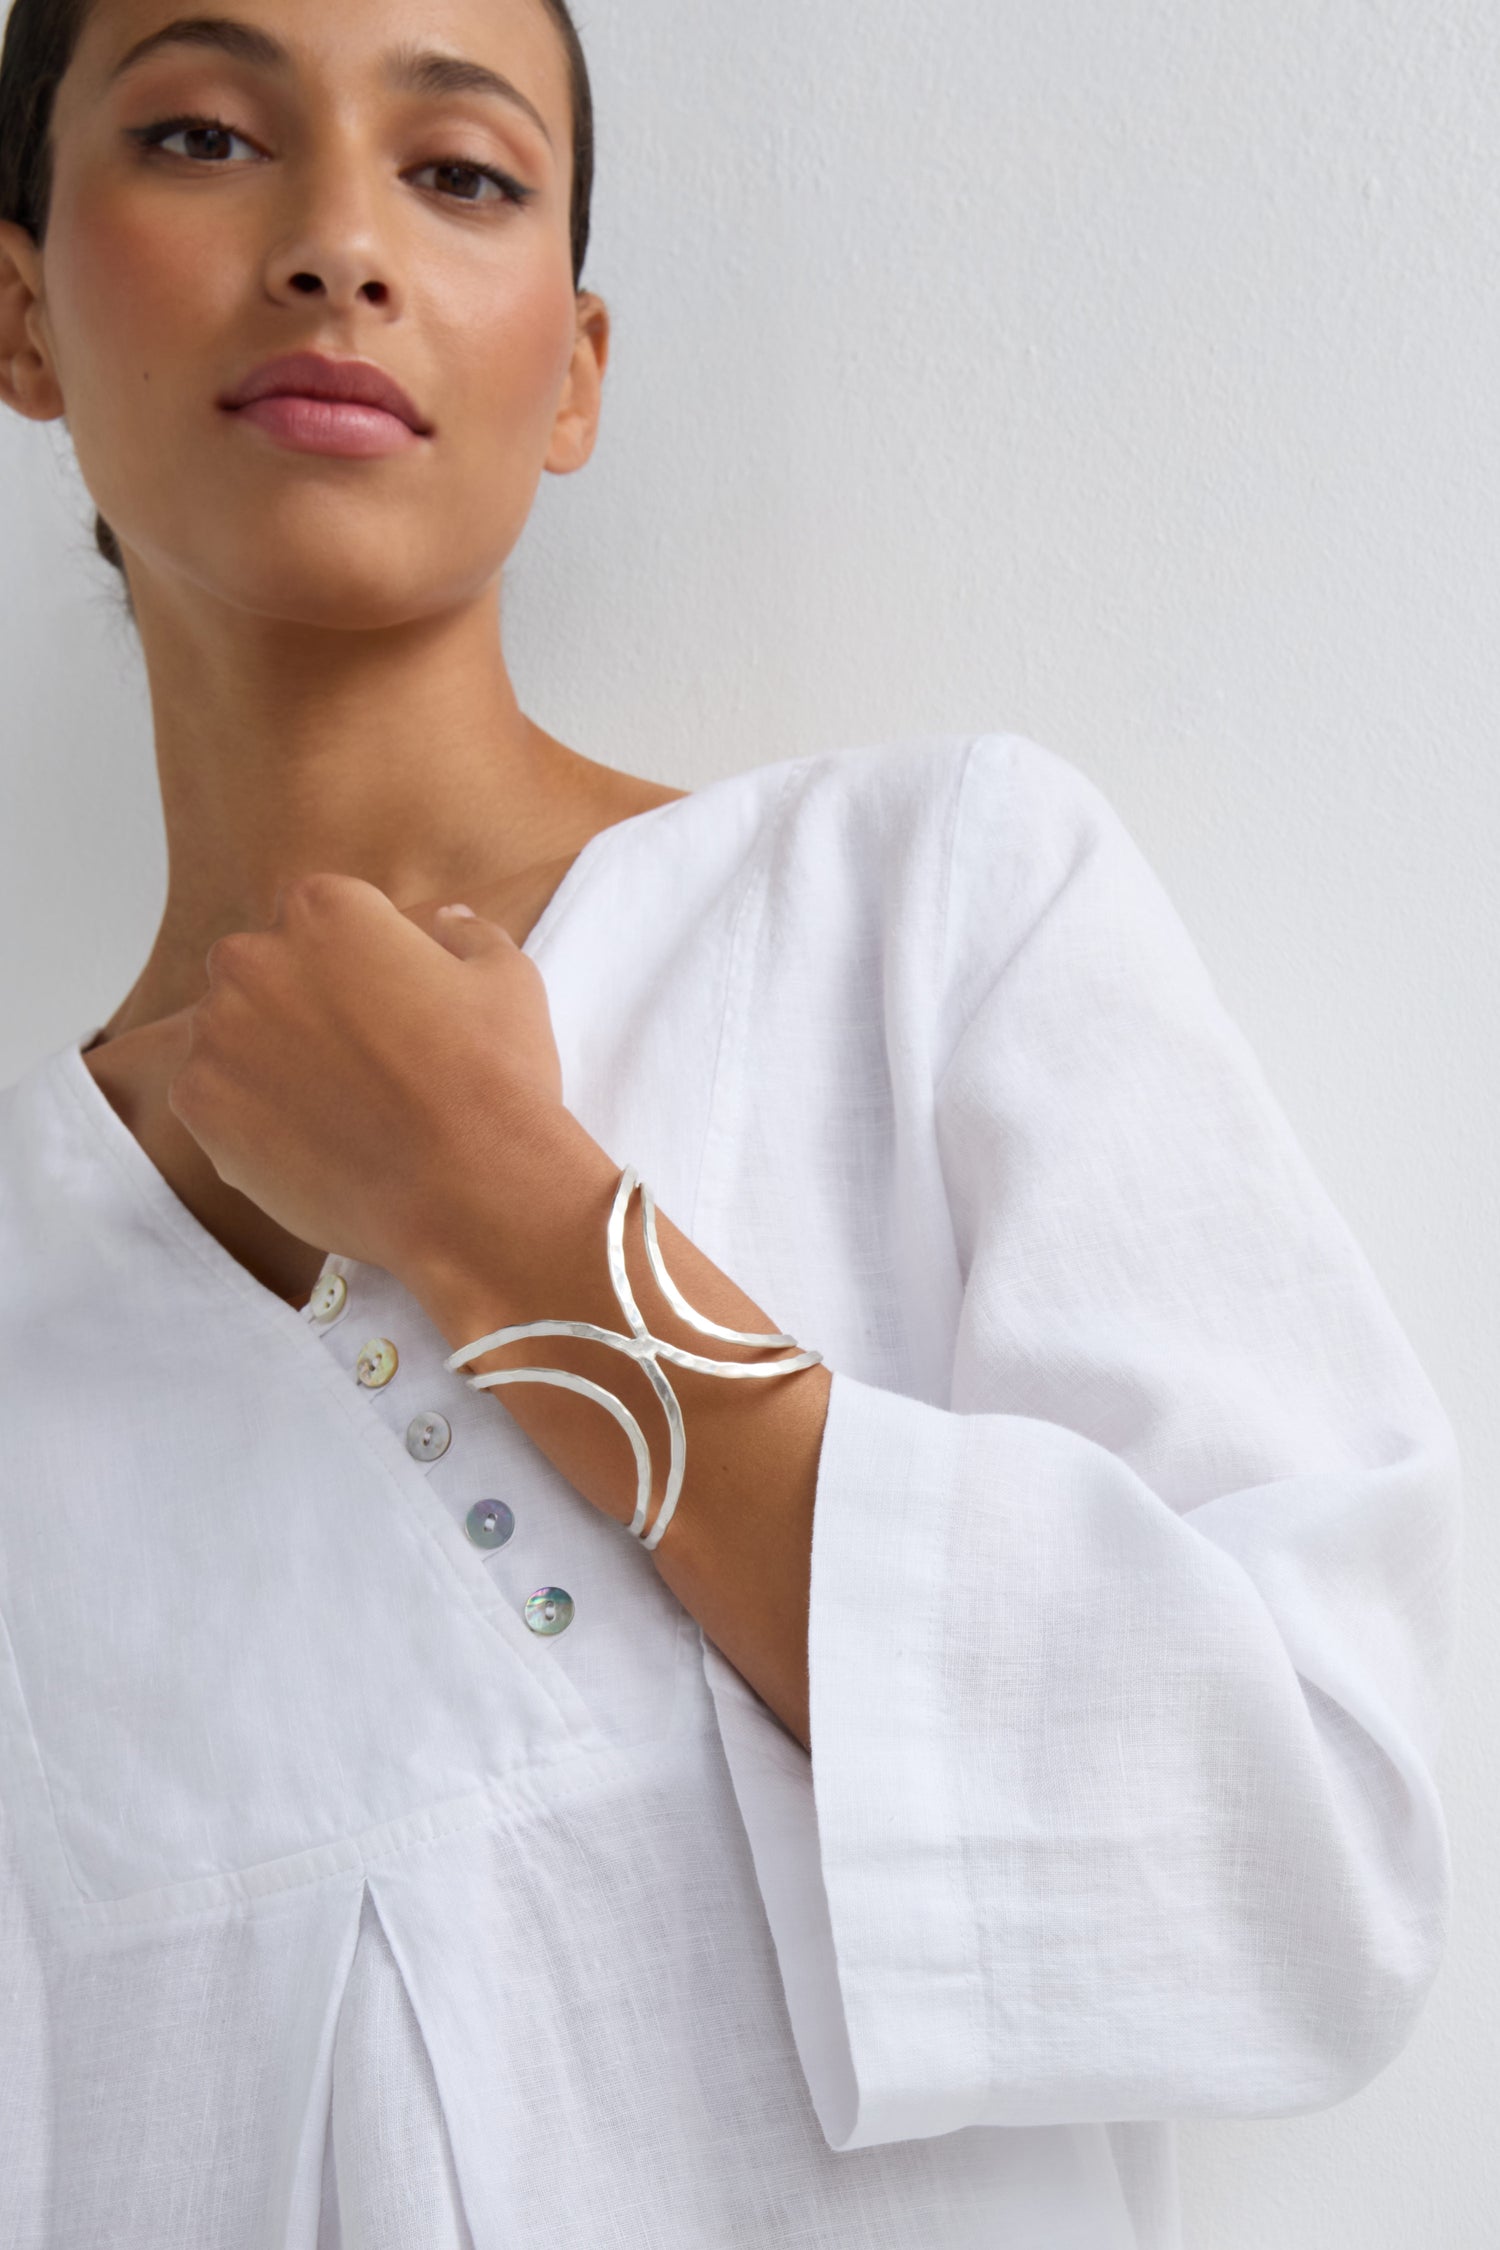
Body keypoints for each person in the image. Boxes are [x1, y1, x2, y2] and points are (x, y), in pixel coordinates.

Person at [0, 1, 1462, 2245]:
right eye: (205, 133)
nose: (337, 245)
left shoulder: (927, 918)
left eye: (462, 173)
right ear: (20, 306)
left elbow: (1308, 1867)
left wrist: (510, 1224)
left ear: (572, 369)